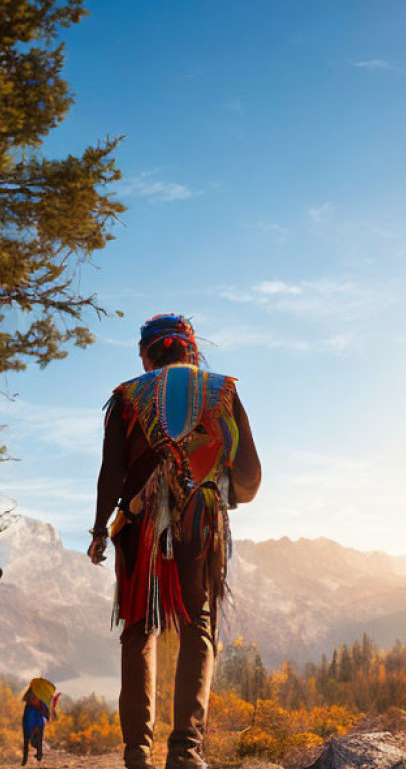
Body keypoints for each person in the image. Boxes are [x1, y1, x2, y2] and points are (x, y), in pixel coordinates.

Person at [88, 314, 261, 769]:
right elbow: (249, 474)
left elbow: (111, 472)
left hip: (138, 523)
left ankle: (136, 753)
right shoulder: (220, 390)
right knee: (197, 627)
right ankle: (185, 750)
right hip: (200, 518)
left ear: (148, 355)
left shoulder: (127, 397)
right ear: (190, 350)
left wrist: (97, 529)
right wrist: (228, 495)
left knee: (138, 631)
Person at [21, 677, 60, 765]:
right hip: (34, 720)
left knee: (29, 739)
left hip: (32, 720)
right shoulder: (39, 700)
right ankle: (35, 755)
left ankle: (30, 757)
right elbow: (48, 708)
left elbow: (48, 708)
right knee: (32, 739)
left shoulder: (34, 698)